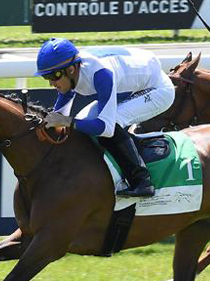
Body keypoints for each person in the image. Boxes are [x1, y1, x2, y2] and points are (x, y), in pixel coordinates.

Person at [35, 38, 175, 197]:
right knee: (83, 122)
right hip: (131, 84)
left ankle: (142, 181)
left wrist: (66, 121)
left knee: (111, 123)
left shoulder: (101, 74)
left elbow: (106, 128)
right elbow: (59, 115)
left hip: (157, 90)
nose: (51, 83)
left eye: (54, 76)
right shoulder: (72, 74)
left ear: (72, 69)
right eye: (47, 78)